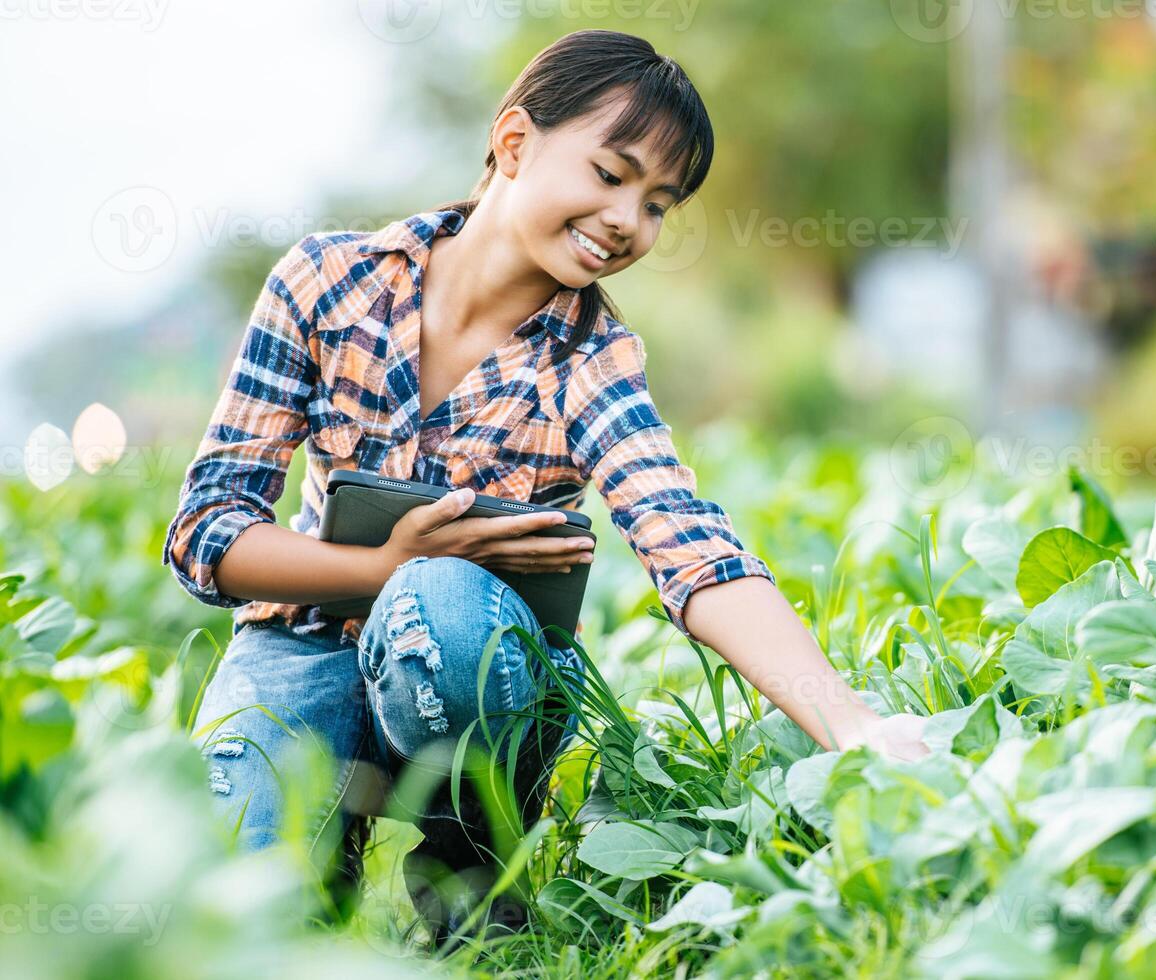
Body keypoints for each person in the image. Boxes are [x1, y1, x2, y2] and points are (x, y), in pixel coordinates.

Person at [162, 28, 929, 943]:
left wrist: (850, 724)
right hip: (302, 647)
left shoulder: (594, 362)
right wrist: (381, 567)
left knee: (442, 606)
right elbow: (206, 534)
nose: (628, 221)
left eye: (658, 204)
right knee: (244, 910)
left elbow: (688, 543)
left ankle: (476, 886)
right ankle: (320, 864)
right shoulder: (328, 283)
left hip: (467, 661)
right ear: (516, 143)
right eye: (612, 174)